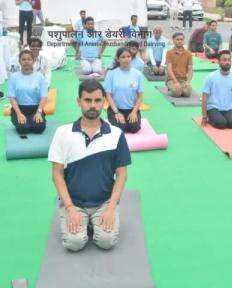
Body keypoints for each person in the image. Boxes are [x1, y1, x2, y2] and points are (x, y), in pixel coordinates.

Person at [48, 79, 131, 252]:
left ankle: (95, 221)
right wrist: (70, 208)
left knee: (107, 242)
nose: (92, 105)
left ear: (104, 102)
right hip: (74, 202)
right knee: (74, 243)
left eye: (97, 100)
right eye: (87, 100)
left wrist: (110, 207)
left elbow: (122, 174)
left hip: (104, 203)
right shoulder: (63, 133)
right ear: (79, 101)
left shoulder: (116, 134)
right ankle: (83, 221)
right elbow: (57, 174)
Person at [104, 48, 144, 133]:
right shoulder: (111, 74)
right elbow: (108, 95)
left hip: (131, 109)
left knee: (134, 128)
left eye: (128, 56)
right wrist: (117, 112)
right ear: (118, 59)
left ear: (131, 58)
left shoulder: (138, 74)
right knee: (120, 129)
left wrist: (134, 112)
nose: (126, 59)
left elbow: (140, 96)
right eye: (123, 57)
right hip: (115, 109)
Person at [7, 50, 48, 134]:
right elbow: (12, 97)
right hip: (19, 108)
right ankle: (21, 120)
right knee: (23, 129)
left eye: (29, 59)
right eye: (23, 59)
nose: (26, 62)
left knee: (38, 128)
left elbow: (43, 97)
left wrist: (39, 112)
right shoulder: (14, 77)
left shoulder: (40, 77)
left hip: (35, 108)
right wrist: (19, 114)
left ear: (33, 61)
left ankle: (32, 120)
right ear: (19, 61)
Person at [201, 50, 232, 130]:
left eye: (229, 60)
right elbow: (204, 98)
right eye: (224, 60)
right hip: (213, 108)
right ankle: (210, 117)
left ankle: (222, 117)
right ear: (219, 62)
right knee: (221, 124)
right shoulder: (210, 77)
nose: (227, 62)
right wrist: (204, 117)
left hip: (228, 108)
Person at [166, 32, 193, 97]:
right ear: (173, 41)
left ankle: (179, 88)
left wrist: (188, 82)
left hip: (183, 79)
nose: (179, 41)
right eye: (177, 39)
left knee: (187, 94)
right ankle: (170, 88)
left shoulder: (188, 53)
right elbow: (169, 70)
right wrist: (175, 82)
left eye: (181, 39)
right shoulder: (169, 53)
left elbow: (190, 70)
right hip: (172, 79)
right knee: (177, 93)